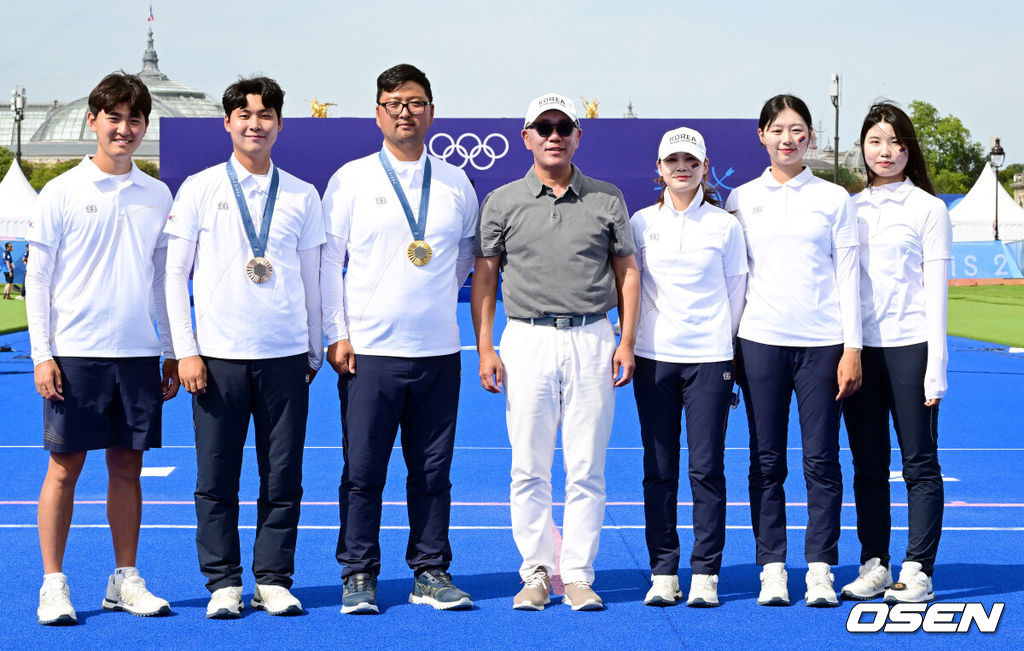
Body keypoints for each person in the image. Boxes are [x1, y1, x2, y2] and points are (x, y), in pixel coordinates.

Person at [472, 93, 640, 611]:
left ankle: (581, 574)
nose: (553, 134)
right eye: (542, 126)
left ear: (577, 136)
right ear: (526, 137)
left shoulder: (607, 198)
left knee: (587, 466)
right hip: (526, 339)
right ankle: (537, 573)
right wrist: (485, 348)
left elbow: (627, 272)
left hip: (593, 337)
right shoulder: (502, 200)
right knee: (529, 466)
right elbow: (485, 276)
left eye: (562, 126)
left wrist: (626, 341)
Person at [165, 76, 324, 619]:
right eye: (244, 114)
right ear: (228, 122)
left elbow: (313, 278)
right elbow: (173, 274)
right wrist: (185, 349)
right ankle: (223, 582)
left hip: (283, 356)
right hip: (216, 357)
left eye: (265, 115)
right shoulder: (199, 187)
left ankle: (273, 579)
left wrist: (314, 346)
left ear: (279, 124)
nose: (255, 123)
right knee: (216, 478)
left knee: (283, 476)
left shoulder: (303, 194)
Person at [321, 63, 477, 614]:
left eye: (414, 102)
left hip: (437, 352)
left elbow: (462, 259)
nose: (404, 112)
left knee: (432, 473)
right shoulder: (351, 178)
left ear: (431, 110)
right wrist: (337, 334)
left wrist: (426, 296)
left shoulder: (456, 182)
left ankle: (430, 570)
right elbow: (328, 263)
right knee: (363, 471)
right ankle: (358, 572)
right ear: (378, 113)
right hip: (369, 354)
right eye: (393, 103)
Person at [26, 71, 179, 625]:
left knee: (127, 469)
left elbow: (163, 279)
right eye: (113, 117)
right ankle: (53, 583)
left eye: (134, 119)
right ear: (94, 121)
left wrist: (168, 348)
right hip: (75, 353)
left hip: (138, 354)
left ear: (144, 127)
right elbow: (38, 280)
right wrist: (43, 354)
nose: (124, 129)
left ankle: (124, 578)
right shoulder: (61, 191)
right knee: (63, 469)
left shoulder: (158, 193)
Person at [724, 94, 862, 607]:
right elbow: (735, 281)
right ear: (762, 135)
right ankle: (773, 567)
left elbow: (848, 276)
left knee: (822, 460)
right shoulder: (740, 199)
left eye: (798, 129)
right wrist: (731, 346)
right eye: (778, 129)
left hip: (823, 345)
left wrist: (853, 348)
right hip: (759, 342)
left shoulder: (833, 198)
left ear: (811, 137)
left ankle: (821, 567)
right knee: (766, 460)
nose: (788, 138)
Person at [839, 102, 951, 604]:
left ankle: (918, 568)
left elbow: (936, 293)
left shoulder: (928, 208)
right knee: (867, 464)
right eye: (876, 141)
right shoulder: (849, 207)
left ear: (909, 149)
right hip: (861, 351)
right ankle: (875, 563)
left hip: (911, 347)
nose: (886, 152)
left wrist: (936, 368)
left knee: (919, 463)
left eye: (896, 142)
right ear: (863, 147)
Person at [631, 127, 747, 608]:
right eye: (673, 160)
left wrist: (719, 342)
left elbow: (736, 292)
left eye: (691, 161)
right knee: (658, 469)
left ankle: (704, 572)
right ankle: (663, 570)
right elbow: (630, 287)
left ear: (704, 167)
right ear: (659, 169)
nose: (682, 168)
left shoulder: (724, 225)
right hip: (652, 358)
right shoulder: (640, 223)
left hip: (710, 359)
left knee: (706, 468)